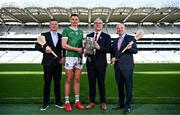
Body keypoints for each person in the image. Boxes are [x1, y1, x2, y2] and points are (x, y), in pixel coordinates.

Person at [35, 19, 64, 111]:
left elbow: (62, 49)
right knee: (47, 83)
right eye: (52, 24)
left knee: (57, 83)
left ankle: (58, 102)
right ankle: (45, 103)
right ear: (49, 25)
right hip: (47, 63)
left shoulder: (61, 36)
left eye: (56, 24)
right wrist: (45, 50)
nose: (54, 26)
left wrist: (63, 57)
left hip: (58, 63)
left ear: (58, 26)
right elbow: (37, 46)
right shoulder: (43, 35)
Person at [111, 23, 138, 114]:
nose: (120, 29)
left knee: (128, 86)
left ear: (124, 28)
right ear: (116, 30)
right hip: (117, 67)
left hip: (127, 66)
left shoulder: (130, 38)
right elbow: (113, 52)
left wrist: (130, 48)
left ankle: (128, 106)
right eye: (118, 28)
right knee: (120, 87)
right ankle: (121, 103)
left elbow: (135, 51)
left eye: (121, 28)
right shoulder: (115, 41)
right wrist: (112, 58)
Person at [86, 18, 111, 110]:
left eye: (99, 23)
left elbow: (108, 49)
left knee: (101, 83)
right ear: (93, 25)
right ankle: (92, 102)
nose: (98, 24)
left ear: (102, 25)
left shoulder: (107, 36)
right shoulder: (89, 35)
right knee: (91, 83)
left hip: (101, 64)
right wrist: (86, 51)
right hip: (90, 63)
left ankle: (103, 102)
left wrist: (99, 47)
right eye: (96, 23)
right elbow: (88, 51)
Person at [62, 14, 84, 112]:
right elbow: (63, 45)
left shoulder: (81, 32)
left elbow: (83, 46)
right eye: (73, 19)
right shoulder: (66, 30)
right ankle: (67, 102)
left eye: (76, 19)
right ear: (70, 20)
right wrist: (77, 49)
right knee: (68, 78)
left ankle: (77, 101)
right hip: (69, 57)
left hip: (79, 58)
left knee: (77, 79)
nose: (74, 21)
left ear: (78, 21)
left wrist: (85, 50)